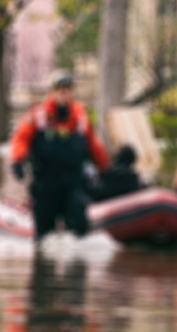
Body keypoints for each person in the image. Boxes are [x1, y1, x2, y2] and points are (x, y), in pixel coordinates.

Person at [9, 73, 109, 241]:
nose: (64, 94)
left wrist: (105, 169)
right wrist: (17, 160)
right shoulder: (37, 115)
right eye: (60, 90)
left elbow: (93, 145)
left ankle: (77, 263)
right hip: (46, 183)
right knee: (43, 233)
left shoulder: (80, 117)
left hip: (73, 182)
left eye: (67, 90)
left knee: (79, 225)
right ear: (52, 92)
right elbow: (21, 138)